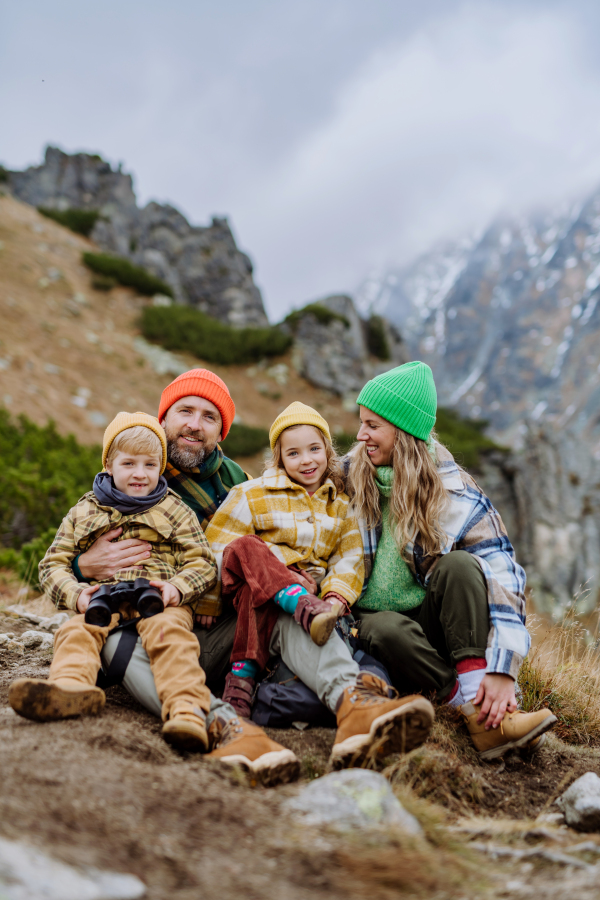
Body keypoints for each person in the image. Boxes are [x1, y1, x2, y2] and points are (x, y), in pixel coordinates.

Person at [346, 360, 557, 759]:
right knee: (384, 627)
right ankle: (473, 706)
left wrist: (502, 667)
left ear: (402, 429)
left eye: (372, 425)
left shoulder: (457, 491)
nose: (360, 436)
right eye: (362, 423)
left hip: (432, 628)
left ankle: (479, 685)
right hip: (370, 628)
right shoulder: (346, 477)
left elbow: (504, 577)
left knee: (461, 566)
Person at [8, 412, 218, 752]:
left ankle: (186, 709)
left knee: (172, 638)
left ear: (161, 467)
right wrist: (77, 595)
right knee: (76, 631)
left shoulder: (175, 510)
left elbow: (204, 561)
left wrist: (177, 588)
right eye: (129, 463)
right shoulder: (84, 511)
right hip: (102, 599)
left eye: (151, 465)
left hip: (158, 599)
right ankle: (69, 688)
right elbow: (51, 565)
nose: (140, 473)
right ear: (108, 464)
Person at [203, 401, 365, 717]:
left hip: (291, 598)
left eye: (314, 449)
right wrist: (209, 601)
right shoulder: (252, 494)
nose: (306, 461)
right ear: (279, 458)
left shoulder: (341, 507)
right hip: (244, 587)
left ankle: (242, 681)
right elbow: (216, 546)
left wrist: (334, 598)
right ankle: (298, 601)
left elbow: (350, 558)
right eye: (293, 453)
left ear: (328, 451)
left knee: (259, 594)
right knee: (248, 546)